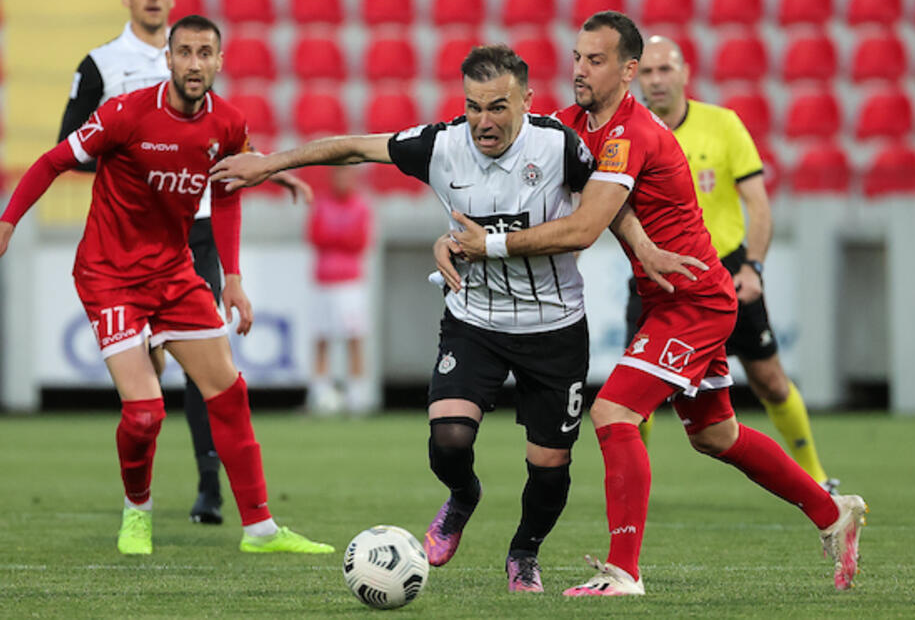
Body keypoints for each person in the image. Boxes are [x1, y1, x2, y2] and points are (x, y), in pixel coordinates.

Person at [208, 44, 699, 592]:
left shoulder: (561, 144)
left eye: (497, 107)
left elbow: (608, 203)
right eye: (472, 107)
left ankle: (524, 552)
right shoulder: (441, 145)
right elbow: (352, 149)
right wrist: (269, 163)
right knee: (449, 438)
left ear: (526, 101)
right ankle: (464, 496)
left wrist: (645, 247)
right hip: (475, 320)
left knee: (550, 464)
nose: (483, 122)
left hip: (554, 325)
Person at [446, 12, 866, 596]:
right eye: (576, 57)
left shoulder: (632, 132)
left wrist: (489, 244)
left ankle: (624, 572)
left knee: (614, 413)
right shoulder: (577, 123)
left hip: (695, 298)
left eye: (595, 60)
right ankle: (832, 513)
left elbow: (588, 221)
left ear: (628, 70)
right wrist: (642, 242)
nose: (580, 70)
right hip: (665, 296)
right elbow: (569, 173)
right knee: (715, 435)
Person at [0, 14, 333, 557]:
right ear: (168, 57)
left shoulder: (228, 124)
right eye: (184, 52)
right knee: (145, 412)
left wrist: (232, 278)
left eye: (205, 53)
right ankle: (136, 513)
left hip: (174, 273)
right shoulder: (125, 113)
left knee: (228, 393)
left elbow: (227, 193)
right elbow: (53, 160)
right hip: (109, 275)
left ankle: (260, 529)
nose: (194, 63)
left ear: (219, 61)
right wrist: (6, 224)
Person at [57, 0, 227, 524]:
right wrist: (138, 164)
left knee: (209, 365)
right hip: (133, 242)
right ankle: (141, 498)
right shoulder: (103, 65)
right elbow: (71, 145)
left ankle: (209, 488)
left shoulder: (191, 58)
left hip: (195, 232)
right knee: (146, 379)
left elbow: (221, 145)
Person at [634, 35, 837, 492]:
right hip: (656, 272)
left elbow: (759, 206)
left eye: (665, 69)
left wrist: (754, 268)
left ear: (685, 72)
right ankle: (633, 487)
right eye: (647, 72)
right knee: (635, 394)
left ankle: (818, 477)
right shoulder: (631, 132)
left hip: (723, 269)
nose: (657, 80)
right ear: (635, 78)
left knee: (770, 380)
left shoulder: (723, 125)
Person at [305, 166, 374, 416]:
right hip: (324, 279)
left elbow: (360, 240)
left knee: (354, 337)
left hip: (349, 281)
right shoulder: (321, 204)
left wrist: (334, 237)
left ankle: (357, 395)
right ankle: (319, 393)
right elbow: (314, 235)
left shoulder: (361, 206)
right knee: (321, 336)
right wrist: (340, 237)